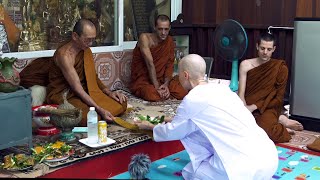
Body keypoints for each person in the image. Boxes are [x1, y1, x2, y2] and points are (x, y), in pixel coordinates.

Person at [135, 54, 279, 180]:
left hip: (242, 170)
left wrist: (151, 127)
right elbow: (203, 120)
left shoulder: (192, 99)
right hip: (269, 159)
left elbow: (173, 131)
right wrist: (170, 120)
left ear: (185, 75)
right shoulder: (224, 90)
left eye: (178, 75)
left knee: (191, 172)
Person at [46, 19, 127, 126]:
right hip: (66, 94)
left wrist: (109, 92)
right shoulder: (64, 56)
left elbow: (93, 77)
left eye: (93, 40)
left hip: (85, 91)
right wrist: (99, 109)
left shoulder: (84, 49)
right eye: (87, 40)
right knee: (87, 118)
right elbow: (77, 88)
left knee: (121, 102)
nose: (90, 44)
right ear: (75, 36)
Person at [238, 32, 303, 143]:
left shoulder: (280, 68)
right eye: (262, 48)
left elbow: (278, 98)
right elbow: (241, 93)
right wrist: (243, 109)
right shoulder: (245, 65)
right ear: (257, 46)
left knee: (267, 132)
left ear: (274, 49)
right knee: (238, 130)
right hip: (247, 105)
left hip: (268, 106)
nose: (265, 52)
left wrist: (254, 107)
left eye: (269, 49)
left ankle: (281, 125)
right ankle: (280, 119)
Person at [129, 14, 187, 101]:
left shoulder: (170, 41)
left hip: (162, 80)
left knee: (182, 92)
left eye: (166, 29)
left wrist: (166, 85)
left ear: (169, 28)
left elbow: (169, 64)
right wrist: (157, 88)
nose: (163, 33)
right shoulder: (144, 38)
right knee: (152, 95)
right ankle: (163, 93)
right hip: (144, 80)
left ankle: (165, 92)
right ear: (155, 27)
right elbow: (150, 64)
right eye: (160, 29)